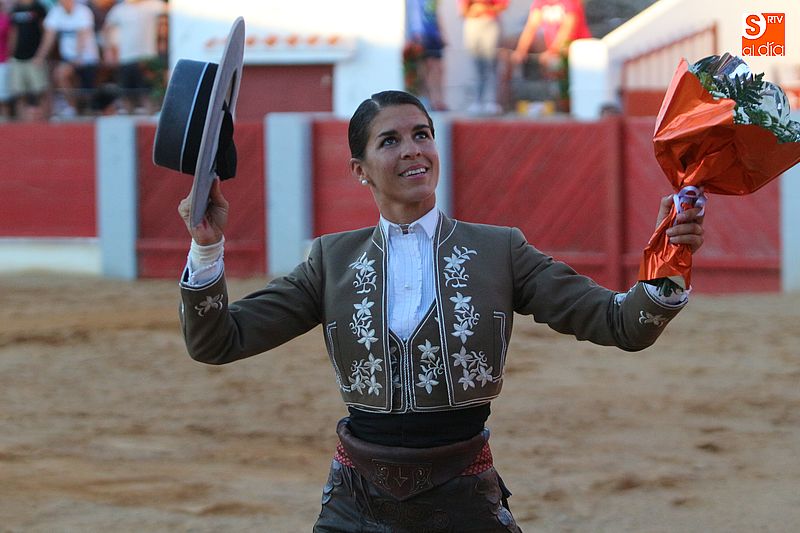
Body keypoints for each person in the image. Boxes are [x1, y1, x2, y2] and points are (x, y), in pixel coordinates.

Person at [176, 90, 705, 531]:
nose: (413, 151)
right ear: (359, 170)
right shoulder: (331, 260)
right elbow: (218, 341)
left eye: (422, 135)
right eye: (390, 140)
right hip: (357, 503)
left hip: (464, 500)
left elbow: (621, 324)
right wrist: (206, 247)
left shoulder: (499, 250)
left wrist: (671, 254)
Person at [511, 0, 591, 112]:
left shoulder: (570, 2)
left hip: (577, 49)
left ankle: (572, 108)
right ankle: (562, 108)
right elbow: (531, 27)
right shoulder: (540, 4)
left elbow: (568, 28)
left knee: (568, 79)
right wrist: (521, 50)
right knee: (555, 74)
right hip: (556, 51)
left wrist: (553, 51)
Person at [33, 0, 99, 117]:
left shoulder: (83, 12)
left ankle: (86, 110)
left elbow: (82, 35)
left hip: (87, 58)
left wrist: (77, 56)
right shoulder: (56, 12)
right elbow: (49, 37)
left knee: (87, 91)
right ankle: (72, 108)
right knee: (60, 75)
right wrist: (40, 57)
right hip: (68, 58)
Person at [102, 0, 166, 114]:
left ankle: (148, 119)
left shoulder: (153, 4)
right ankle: (129, 121)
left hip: (147, 57)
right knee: (126, 94)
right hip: (125, 58)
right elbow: (107, 28)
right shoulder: (119, 9)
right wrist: (109, 51)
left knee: (147, 94)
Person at [458, 0, 508, 115]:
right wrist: (474, 10)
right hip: (473, 23)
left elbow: (502, 5)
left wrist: (484, 9)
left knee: (491, 64)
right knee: (477, 66)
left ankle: (492, 102)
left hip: (490, 22)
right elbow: (462, 10)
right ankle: (478, 101)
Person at [8, 0, 49, 121]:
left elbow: (45, 31)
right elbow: (13, 32)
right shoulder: (15, 9)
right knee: (19, 93)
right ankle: (22, 122)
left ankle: (43, 121)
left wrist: (41, 54)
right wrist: (11, 53)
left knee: (39, 91)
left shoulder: (38, 7)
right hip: (17, 57)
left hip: (34, 57)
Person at [405, 0, 447, 111]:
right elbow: (416, 14)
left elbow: (434, 15)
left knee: (435, 70)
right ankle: (431, 100)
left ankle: (435, 100)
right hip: (424, 36)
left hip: (431, 36)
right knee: (427, 71)